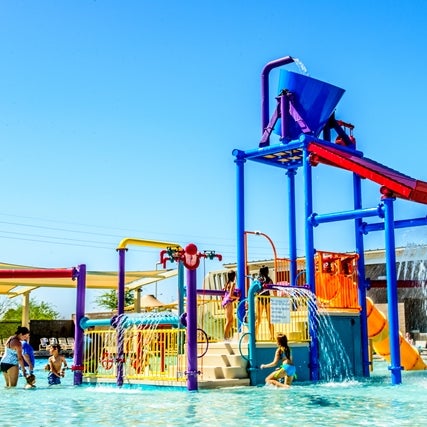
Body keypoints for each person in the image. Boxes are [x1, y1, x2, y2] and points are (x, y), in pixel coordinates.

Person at [255, 265, 275, 340]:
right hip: (267, 298)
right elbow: (274, 289)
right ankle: (272, 336)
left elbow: (255, 290)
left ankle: (254, 336)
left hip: (260, 298)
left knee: (258, 319)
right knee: (270, 319)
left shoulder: (258, 279)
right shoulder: (269, 279)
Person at [222, 270, 238, 341]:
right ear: (234, 276)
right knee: (229, 320)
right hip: (228, 302)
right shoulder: (232, 283)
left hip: (225, 302)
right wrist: (237, 298)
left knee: (230, 320)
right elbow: (230, 295)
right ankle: (225, 337)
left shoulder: (226, 284)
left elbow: (225, 294)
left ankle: (226, 336)